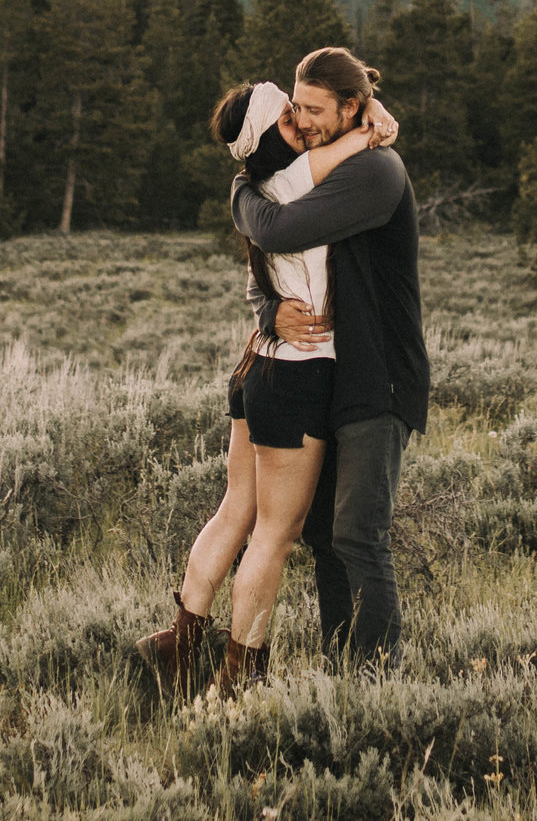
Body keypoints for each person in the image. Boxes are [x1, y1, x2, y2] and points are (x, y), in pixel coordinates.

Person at [135, 77, 395, 698]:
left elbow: (339, 116)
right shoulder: (296, 177)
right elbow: (360, 131)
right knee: (275, 535)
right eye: (286, 121)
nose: (300, 124)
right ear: (266, 145)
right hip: (301, 370)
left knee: (235, 511)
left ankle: (178, 642)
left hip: (257, 363)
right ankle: (240, 675)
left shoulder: (260, 186)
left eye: (298, 113)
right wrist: (374, 116)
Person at [231, 47, 424, 666]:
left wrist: (240, 192)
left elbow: (281, 231)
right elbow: (280, 265)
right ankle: (341, 669)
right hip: (337, 373)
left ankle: (374, 684)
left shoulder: (375, 172)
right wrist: (269, 312)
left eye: (316, 111)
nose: (305, 121)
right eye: (297, 109)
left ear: (352, 108)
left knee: (357, 535)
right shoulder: (331, 156)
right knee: (323, 537)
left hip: (380, 377)